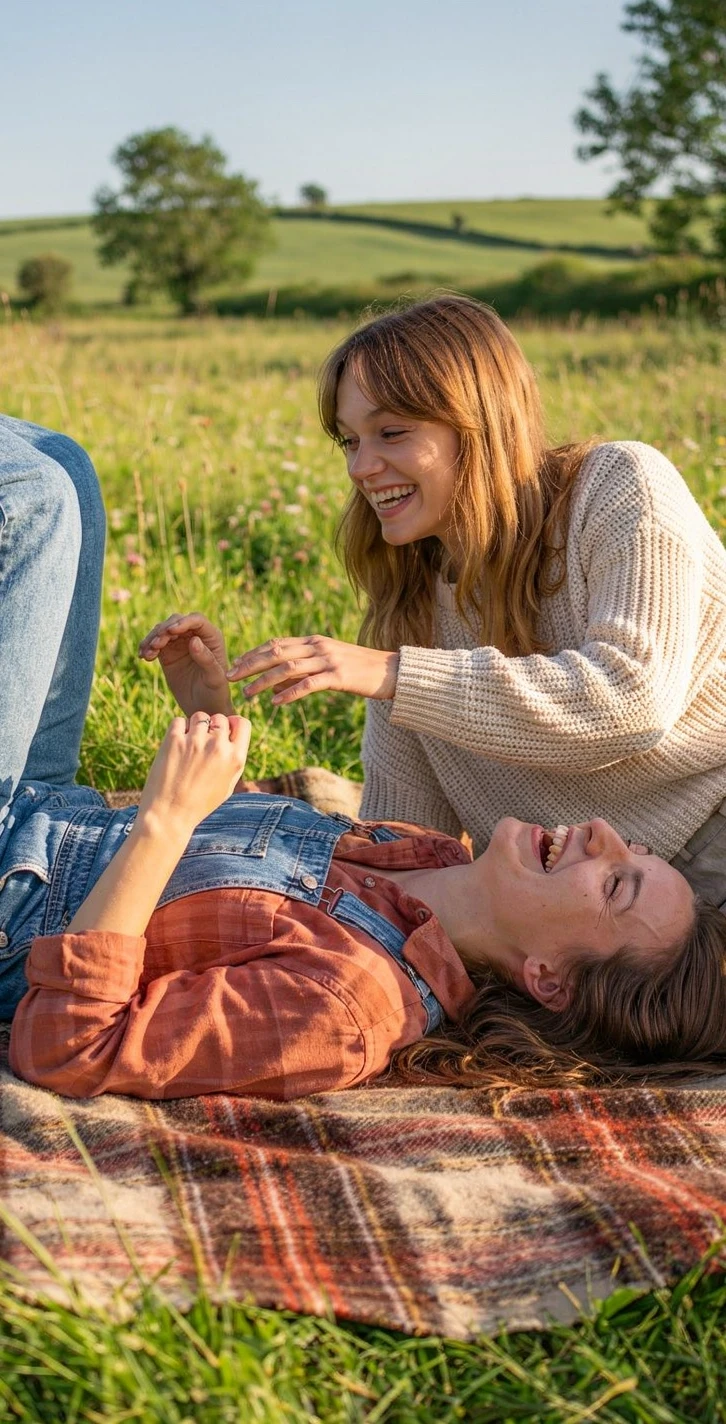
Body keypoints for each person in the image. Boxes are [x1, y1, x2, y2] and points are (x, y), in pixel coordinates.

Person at [3, 416, 726, 1105]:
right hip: (44, 806)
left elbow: (66, 1045)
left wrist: (164, 820)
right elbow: (211, 889)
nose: (601, 832)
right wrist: (209, 722)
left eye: (617, 884)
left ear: (549, 981)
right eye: (632, 848)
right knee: (67, 470)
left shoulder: (353, 1006)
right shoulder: (414, 852)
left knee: (32, 499)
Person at [138, 296, 726, 910]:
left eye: (391, 432)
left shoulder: (618, 485)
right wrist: (214, 718)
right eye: (349, 440)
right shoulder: (411, 590)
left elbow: (633, 700)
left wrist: (390, 673)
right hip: (580, 913)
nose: (363, 467)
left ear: (479, 425)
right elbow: (409, 844)